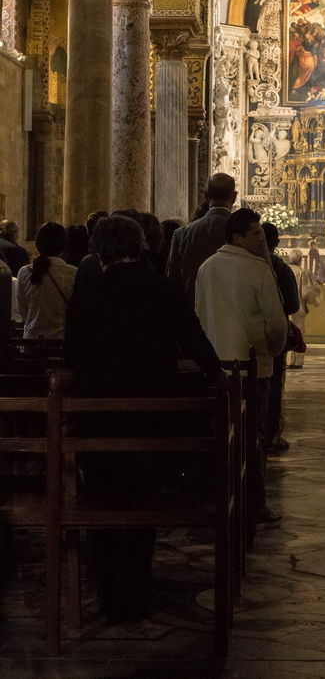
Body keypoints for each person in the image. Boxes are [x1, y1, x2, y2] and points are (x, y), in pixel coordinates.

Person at [65, 215, 223, 624]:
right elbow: (195, 340)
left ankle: (110, 594)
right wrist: (217, 375)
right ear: (141, 247)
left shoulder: (90, 294)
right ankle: (137, 588)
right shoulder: (162, 289)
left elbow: (72, 355)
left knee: (101, 500)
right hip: (152, 415)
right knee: (142, 496)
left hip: (98, 416)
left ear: (100, 252)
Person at [195, 208, 288, 526]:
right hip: (251, 370)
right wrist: (271, 352)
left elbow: (199, 315)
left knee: (219, 435)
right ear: (237, 237)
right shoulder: (259, 270)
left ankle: (217, 497)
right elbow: (277, 323)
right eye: (256, 234)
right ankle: (254, 503)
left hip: (216, 369)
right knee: (253, 437)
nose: (262, 238)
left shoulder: (207, 267)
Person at [167, 172, 236, 306]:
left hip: (193, 313)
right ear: (234, 196)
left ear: (205, 196)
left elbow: (172, 283)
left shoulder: (182, 234)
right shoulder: (248, 232)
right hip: (235, 316)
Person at [262, 223, 300, 456]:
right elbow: (293, 305)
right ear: (276, 243)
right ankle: (270, 435)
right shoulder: (280, 267)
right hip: (273, 336)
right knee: (274, 383)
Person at [15, 222, 77, 340]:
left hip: (31, 344)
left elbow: (22, 311)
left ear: (37, 245)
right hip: (60, 344)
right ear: (63, 246)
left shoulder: (24, 272)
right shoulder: (73, 273)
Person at [286, 249, 322, 369]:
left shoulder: (283, 270)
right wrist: (317, 289)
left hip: (283, 308)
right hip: (297, 308)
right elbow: (307, 292)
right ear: (301, 259)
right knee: (296, 333)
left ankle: (285, 360)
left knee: (284, 333)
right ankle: (295, 361)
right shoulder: (301, 272)